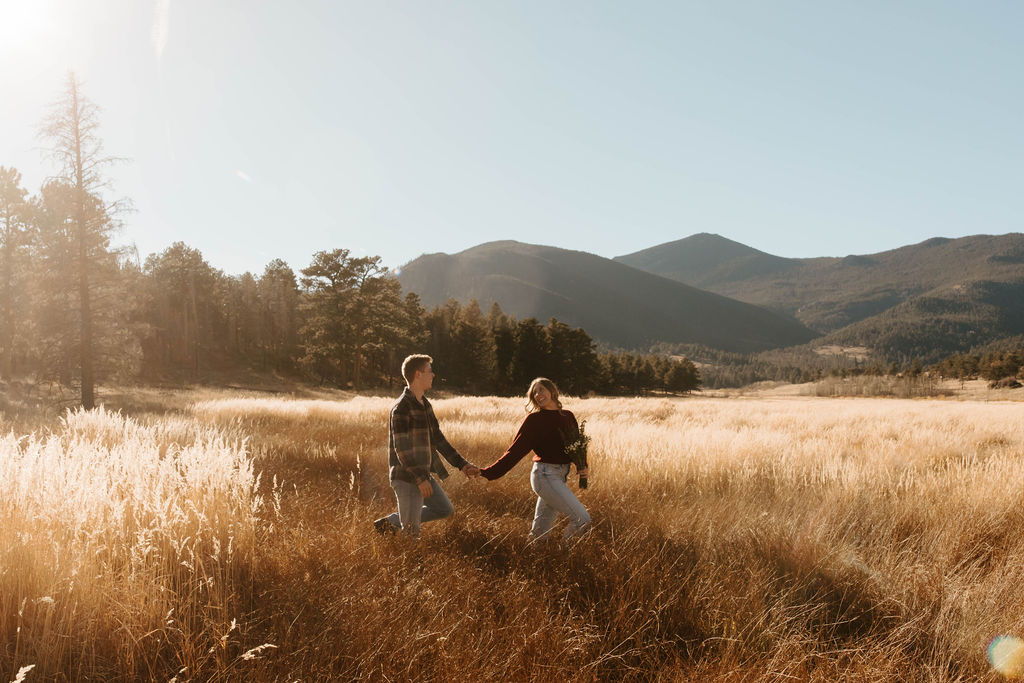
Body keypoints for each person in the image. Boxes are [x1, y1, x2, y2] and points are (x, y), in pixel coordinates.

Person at [374, 354, 480, 537]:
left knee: (444, 509)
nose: (433, 375)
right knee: (411, 533)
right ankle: (408, 556)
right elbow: (402, 449)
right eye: (430, 371)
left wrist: (462, 465)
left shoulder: (425, 405)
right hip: (407, 477)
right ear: (418, 374)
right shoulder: (401, 408)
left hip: (422, 474)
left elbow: (438, 439)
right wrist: (420, 479)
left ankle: (390, 522)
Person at [479, 377, 590, 542]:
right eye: (534, 392)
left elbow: (577, 444)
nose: (538, 394)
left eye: (541, 389)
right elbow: (514, 451)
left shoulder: (567, 416)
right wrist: (487, 472)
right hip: (544, 475)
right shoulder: (534, 420)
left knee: (539, 534)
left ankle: (536, 558)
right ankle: (564, 556)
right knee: (582, 520)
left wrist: (583, 466)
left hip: (559, 476)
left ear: (552, 391)